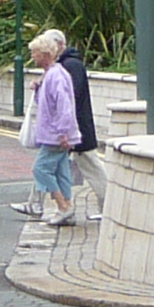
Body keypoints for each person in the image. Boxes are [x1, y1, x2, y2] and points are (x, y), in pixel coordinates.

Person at [25, 30, 83, 225]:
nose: (32, 56)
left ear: (45, 54)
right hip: (57, 134)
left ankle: (63, 207)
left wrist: (62, 132)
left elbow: (64, 106)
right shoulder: (52, 74)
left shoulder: (55, 75)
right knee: (60, 170)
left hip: (55, 135)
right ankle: (67, 208)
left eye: (35, 53)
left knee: (40, 169)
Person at [53, 31, 102, 222]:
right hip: (73, 129)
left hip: (77, 130)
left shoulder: (70, 65)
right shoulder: (66, 64)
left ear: (59, 45)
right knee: (47, 166)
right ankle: (39, 204)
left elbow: (70, 96)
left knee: (92, 168)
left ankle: (108, 206)